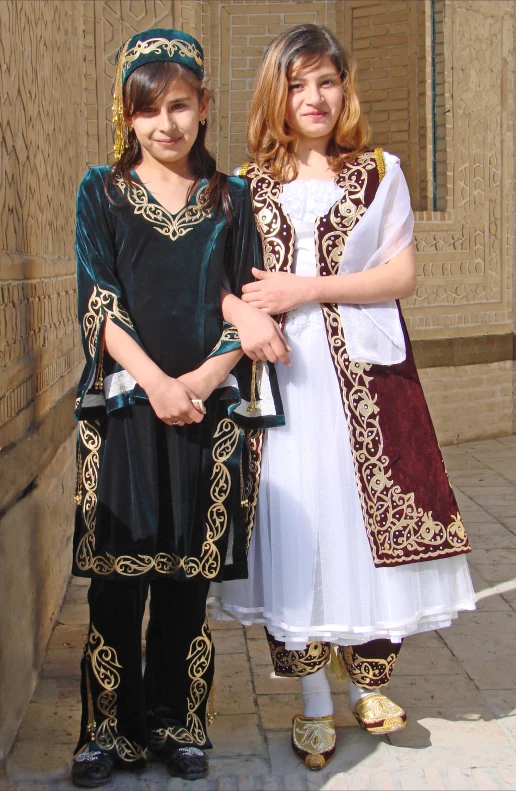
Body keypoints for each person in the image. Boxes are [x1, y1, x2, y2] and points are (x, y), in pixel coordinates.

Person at [211, 24, 476, 771]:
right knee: (301, 531)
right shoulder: (245, 186)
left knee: (365, 531)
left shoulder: (378, 171)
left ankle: (368, 685)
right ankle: (314, 704)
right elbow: (221, 284)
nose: (314, 98)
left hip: (366, 385)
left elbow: (399, 276)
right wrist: (245, 312)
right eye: (297, 85)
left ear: (344, 88)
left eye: (326, 81)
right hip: (284, 389)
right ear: (277, 94)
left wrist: (306, 288)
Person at [71, 28, 286, 787]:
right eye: (147, 109)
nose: (164, 123)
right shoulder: (100, 191)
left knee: (185, 581)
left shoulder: (232, 200)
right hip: (126, 412)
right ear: (126, 115)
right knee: (116, 580)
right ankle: (105, 731)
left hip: (207, 413)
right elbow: (99, 300)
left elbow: (252, 304)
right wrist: (160, 383)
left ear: (203, 107)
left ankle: (177, 723)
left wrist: (197, 380)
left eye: (179, 105)